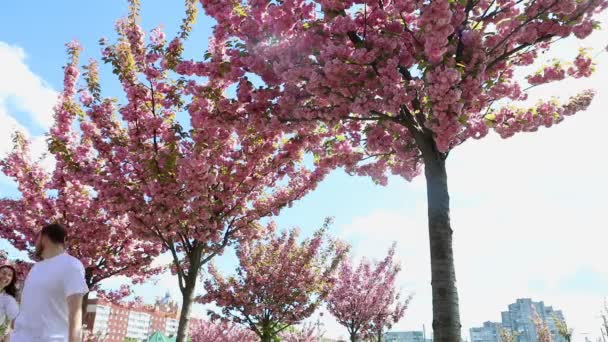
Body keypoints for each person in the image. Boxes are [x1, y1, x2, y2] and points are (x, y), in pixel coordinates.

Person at [11, 223, 89, 342]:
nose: (35, 244)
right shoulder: (35, 268)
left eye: (37, 238)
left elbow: (76, 312)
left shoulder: (71, 265)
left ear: (43, 237)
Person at [0, 265, 19, 342]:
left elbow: (12, 318)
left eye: (9, 275)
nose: (6, 277)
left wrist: (3, 333)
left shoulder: (9, 299)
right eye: (3, 273)